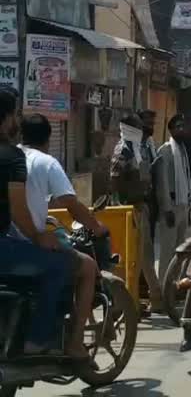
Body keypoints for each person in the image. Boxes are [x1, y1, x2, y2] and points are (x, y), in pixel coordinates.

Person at [14, 113, 108, 361]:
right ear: (48, 138)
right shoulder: (46, 162)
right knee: (87, 267)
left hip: (11, 239)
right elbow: (70, 202)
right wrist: (97, 226)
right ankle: (74, 344)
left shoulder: (11, 156)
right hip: (27, 243)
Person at [0, 92, 76, 357]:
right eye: (14, 115)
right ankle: (39, 340)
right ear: (8, 119)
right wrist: (37, 236)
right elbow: (18, 208)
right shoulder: (12, 157)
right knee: (60, 266)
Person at [111, 112, 162, 312]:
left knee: (145, 255)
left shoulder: (138, 149)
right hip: (129, 210)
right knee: (129, 257)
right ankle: (124, 303)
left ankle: (155, 298)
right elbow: (115, 181)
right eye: (139, 126)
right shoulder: (122, 150)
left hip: (141, 206)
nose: (143, 130)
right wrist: (121, 207)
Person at [153, 114, 191, 282]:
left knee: (180, 251)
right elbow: (162, 184)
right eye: (178, 127)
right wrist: (167, 209)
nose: (181, 129)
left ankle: (174, 287)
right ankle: (163, 288)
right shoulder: (165, 150)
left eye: (183, 126)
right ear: (171, 129)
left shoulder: (183, 150)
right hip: (171, 207)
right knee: (168, 251)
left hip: (183, 205)